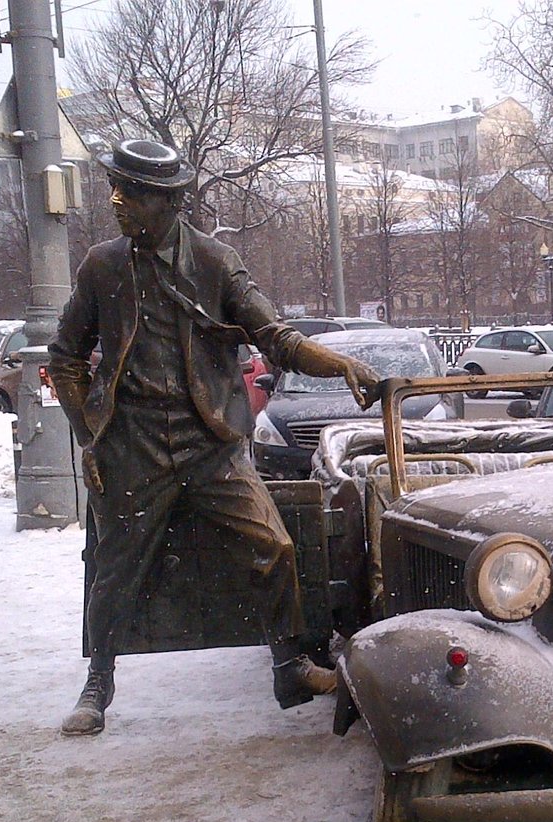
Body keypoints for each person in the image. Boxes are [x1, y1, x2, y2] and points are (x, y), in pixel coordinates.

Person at [50, 138, 379, 736]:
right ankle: (98, 681)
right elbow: (66, 355)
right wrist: (89, 435)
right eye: (116, 188)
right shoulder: (102, 265)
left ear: (167, 201)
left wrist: (338, 364)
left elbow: (274, 336)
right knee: (114, 564)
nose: (117, 200)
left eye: (132, 192)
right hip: (133, 439)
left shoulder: (215, 262)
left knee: (274, 546)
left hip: (209, 441)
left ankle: (288, 665)